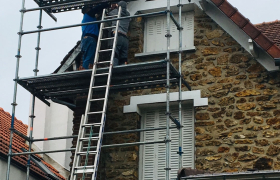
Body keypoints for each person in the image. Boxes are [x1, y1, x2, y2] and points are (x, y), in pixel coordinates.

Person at [80, 3, 109, 70]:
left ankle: (85, 68)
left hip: (86, 39)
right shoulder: (88, 15)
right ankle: (85, 71)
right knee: (89, 57)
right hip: (91, 38)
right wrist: (107, 4)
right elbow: (97, 8)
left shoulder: (87, 19)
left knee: (86, 57)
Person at [108, 1, 131, 66]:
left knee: (115, 53)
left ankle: (114, 69)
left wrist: (114, 6)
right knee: (123, 56)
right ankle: (122, 69)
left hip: (117, 35)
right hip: (125, 38)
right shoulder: (128, 14)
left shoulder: (115, 12)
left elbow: (108, 14)